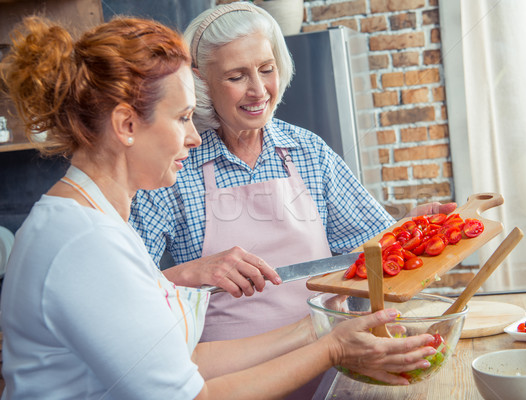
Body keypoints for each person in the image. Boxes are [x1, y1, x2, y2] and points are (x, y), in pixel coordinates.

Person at [0, 15, 440, 399]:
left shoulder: (90, 227)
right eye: (182, 118)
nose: (194, 138)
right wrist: (333, 348)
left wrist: (319, 332)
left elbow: (186, 361)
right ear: (127, 125)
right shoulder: (86, 243)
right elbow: (192, 393)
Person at [130, 1, 456, 340]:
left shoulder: (308, 152)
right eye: (237, 76)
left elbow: (371, 254)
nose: (258, 90)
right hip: (232, 379)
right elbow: (125, 288)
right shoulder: (177, 165)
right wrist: (191, 272)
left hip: (330, 362)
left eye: (267, 69)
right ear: (200, 81)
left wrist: (410, 232)